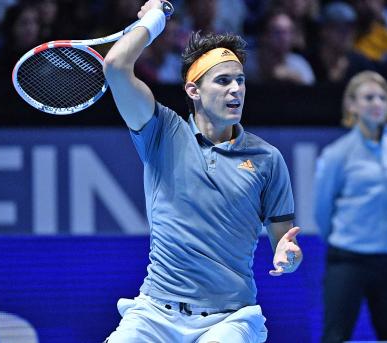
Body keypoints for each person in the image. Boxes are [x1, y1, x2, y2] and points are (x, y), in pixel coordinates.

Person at [102, 1, 304, 342]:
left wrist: (289, 255)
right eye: (223, 80)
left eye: (240, 80)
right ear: (193, 90)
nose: (236, 89)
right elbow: (116, 66)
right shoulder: (161, 132)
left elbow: (282, 241)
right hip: (154, 314)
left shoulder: (267, 159)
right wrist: (155, 20)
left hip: (229, 320)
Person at [313, 71, 387, 343]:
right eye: (369, 97)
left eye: (383, 97)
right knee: (335, 336)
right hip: (348, 261)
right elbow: (322, 209)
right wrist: (342, 241)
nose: (377, 102)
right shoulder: (337, 153)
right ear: (351, 105)